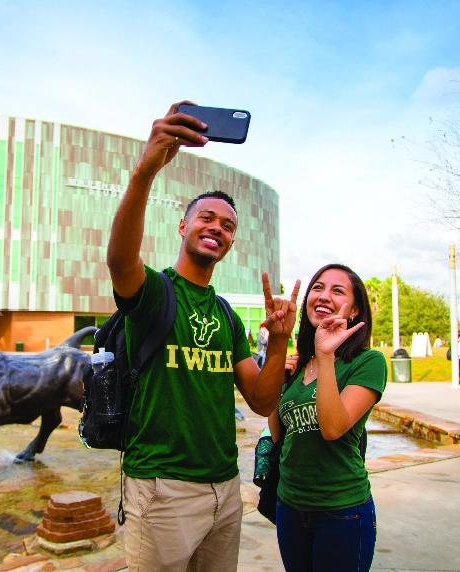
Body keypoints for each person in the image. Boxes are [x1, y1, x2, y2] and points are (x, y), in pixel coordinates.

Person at [106, 101, 299, 572]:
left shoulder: (227, 317)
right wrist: (145, 173)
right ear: (184, 226)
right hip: (161, 490)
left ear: (231, 243)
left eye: (228, 225)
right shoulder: (153, 291)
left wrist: (279, 342)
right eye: (207, 218)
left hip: (225, 490)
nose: (217, 227)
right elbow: (119, 261)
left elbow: (260, 400)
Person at [265, 264, 386, 572]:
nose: (324, 295)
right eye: (317, 287)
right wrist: (280, 374)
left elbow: (333, 428)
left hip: (341, 512)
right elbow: (280, 434)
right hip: (290, 506)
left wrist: (326, 356)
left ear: (355, 309)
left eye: (337, 290)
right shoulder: (299, 364)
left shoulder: (369, 363)